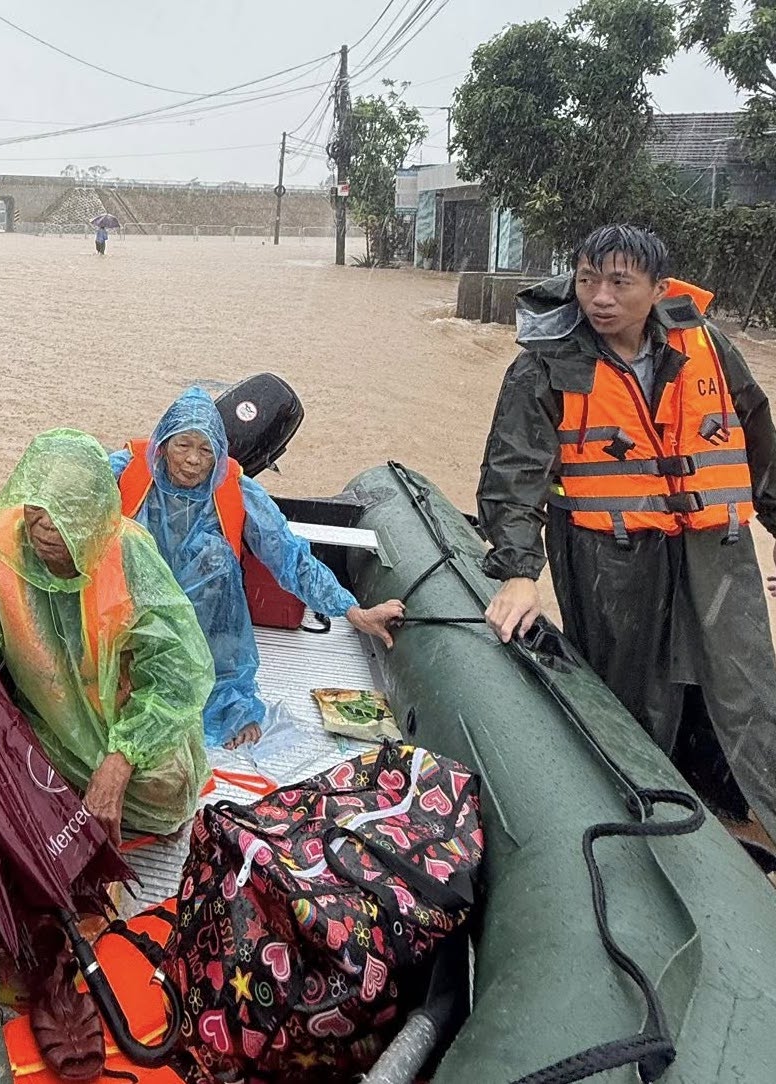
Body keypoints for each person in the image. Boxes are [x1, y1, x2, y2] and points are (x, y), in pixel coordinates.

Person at [478, 223, 776, 841]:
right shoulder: (547, 362)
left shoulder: (707, 345)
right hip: (610, 556)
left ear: (658, 288)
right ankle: (642, 822)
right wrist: (517, 572)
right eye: (588, 280)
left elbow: (757, 437)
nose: (600, 298)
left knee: (740, 685)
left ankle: (742, 811)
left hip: (714, 547)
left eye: (620, 282)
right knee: (632, 699)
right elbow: (514, 470)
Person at [0, 429, 214, 842]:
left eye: (65, 512)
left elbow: (178, 673)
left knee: (169, 791)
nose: (46, 526)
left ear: (94, 516)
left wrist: (122, 759)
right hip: (45, 717)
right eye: (37, 508)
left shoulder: (128, 553)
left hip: (120, 714)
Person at [111, 388, 406, 750]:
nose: (192, 460)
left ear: (219, 453)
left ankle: (221, 699)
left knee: (216, 560)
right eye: (182, 445)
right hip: (130, 612)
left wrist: (352, 611)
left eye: (206, 450)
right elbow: (68, 492)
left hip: (201, 624)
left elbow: (289, 556)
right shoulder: (124, 470)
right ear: (162, 445)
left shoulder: (237, 490)